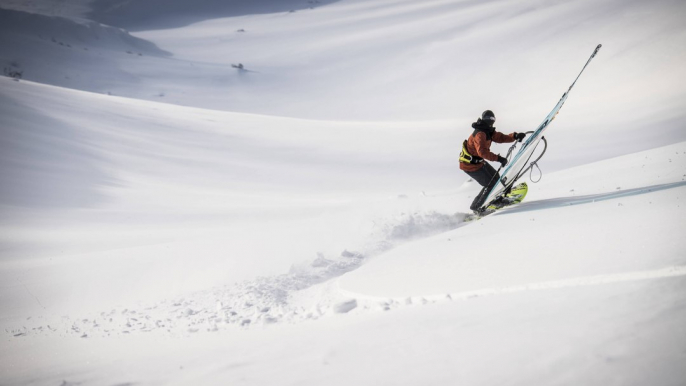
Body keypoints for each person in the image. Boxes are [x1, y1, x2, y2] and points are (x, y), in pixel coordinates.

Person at [459, 110, 526, 213]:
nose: (491, 122)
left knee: (496, 178)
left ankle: (496, 199)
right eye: (490, 120)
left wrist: (515, 136)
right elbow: (482, 152)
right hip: (469, 165)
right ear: (484, 120)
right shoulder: (480, 134)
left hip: (478, 162)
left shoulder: (488, 131)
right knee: (490, 184)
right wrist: (499, 159)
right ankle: (477, 207)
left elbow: (500, 137)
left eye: (493, 120)